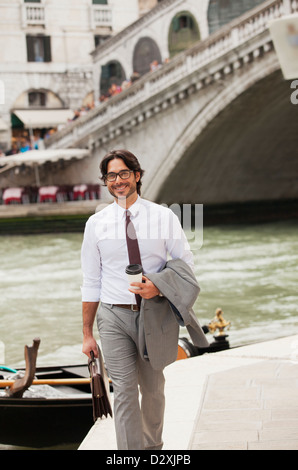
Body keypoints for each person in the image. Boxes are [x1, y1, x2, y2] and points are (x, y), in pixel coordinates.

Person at [81, 149, 206, 450]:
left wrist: (159, 287)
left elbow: (186, 265)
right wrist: (86, 333)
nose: (118, 180)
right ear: (106, 182)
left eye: (124, 173)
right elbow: (91, 281)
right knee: (123, 390)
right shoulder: (95, 224)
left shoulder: (163, 217)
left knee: (152, 389)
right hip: (112, 316)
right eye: (111, 175)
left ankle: (153, 449)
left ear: (137, 176)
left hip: (154, 314)